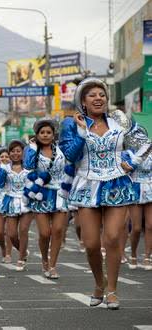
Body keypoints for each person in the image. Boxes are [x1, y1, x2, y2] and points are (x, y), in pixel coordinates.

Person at [59, 77, 147, 310]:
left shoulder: (119, 120)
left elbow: (145, 143)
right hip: (87, 185)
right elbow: (71, 155)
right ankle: (99, 283)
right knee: (90, 244)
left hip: (117, 184)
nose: (99, 98)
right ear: (83, 102)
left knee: (112, 238)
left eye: (102, 95)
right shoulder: (71, 124)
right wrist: (80, 131)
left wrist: (133, 161)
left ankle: (112, 291)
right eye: (92, 95)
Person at [23, 118, 70, 279]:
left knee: (57, 231)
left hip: (60, 193)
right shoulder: (33, 150)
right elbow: (28, 166)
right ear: (36, 135)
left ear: (53, 134)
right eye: (42, 132)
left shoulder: (61, 149)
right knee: (44, 233)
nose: (45, 135)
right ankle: (44, 259)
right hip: (41, 194)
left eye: (48, 132)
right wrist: (32, 147)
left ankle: (52, 265)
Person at [0, 140, 31, 270]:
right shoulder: (5, 168)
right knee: (11, 234)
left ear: (23, 153)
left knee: (23, 231)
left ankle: (21, 259)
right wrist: (1, 170)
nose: (15, 154)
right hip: (10, 201)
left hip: (26, 202)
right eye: (13, 151)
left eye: (18, 151)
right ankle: (23, 251)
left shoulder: (29, 167)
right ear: (9, 153)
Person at [129, 152, 152, 270]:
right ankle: (133, 254)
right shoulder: (129, 153)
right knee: (136, 228)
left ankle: (147, 257)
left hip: (150, 187)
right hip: (135, 189)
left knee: (150, 225)